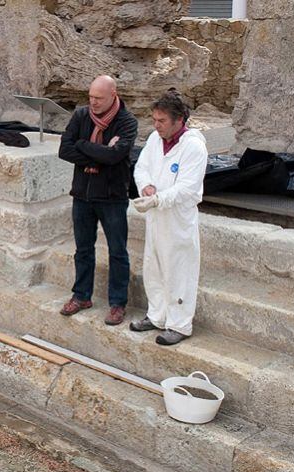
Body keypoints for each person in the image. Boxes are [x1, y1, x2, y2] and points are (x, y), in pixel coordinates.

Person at [58, 75, 139, 326]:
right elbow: (64, 150)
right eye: (90, 97)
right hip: (82, 194)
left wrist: (82, 146)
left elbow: (116, 157)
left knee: (117, 251)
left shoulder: (127, 122)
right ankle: (81, 296)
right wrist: (100, 153)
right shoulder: (81, 115)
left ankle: (117, 303)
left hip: (112, 197)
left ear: (113, 94)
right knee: (83, 249)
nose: (93, 102)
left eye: (99, 98)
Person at [130, 89, 208, 345]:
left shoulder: (194, 147)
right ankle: (157, 316)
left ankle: (179, 324)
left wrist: (159, 199)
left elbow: (187, 187)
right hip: (156, 217)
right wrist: (147, 187)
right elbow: (142, 167)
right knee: (153, 267)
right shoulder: (155, 139)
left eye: (162, 121)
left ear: (178, 120)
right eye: (154, 120)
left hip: (178, 220)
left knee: (179, 271)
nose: (156, 125)